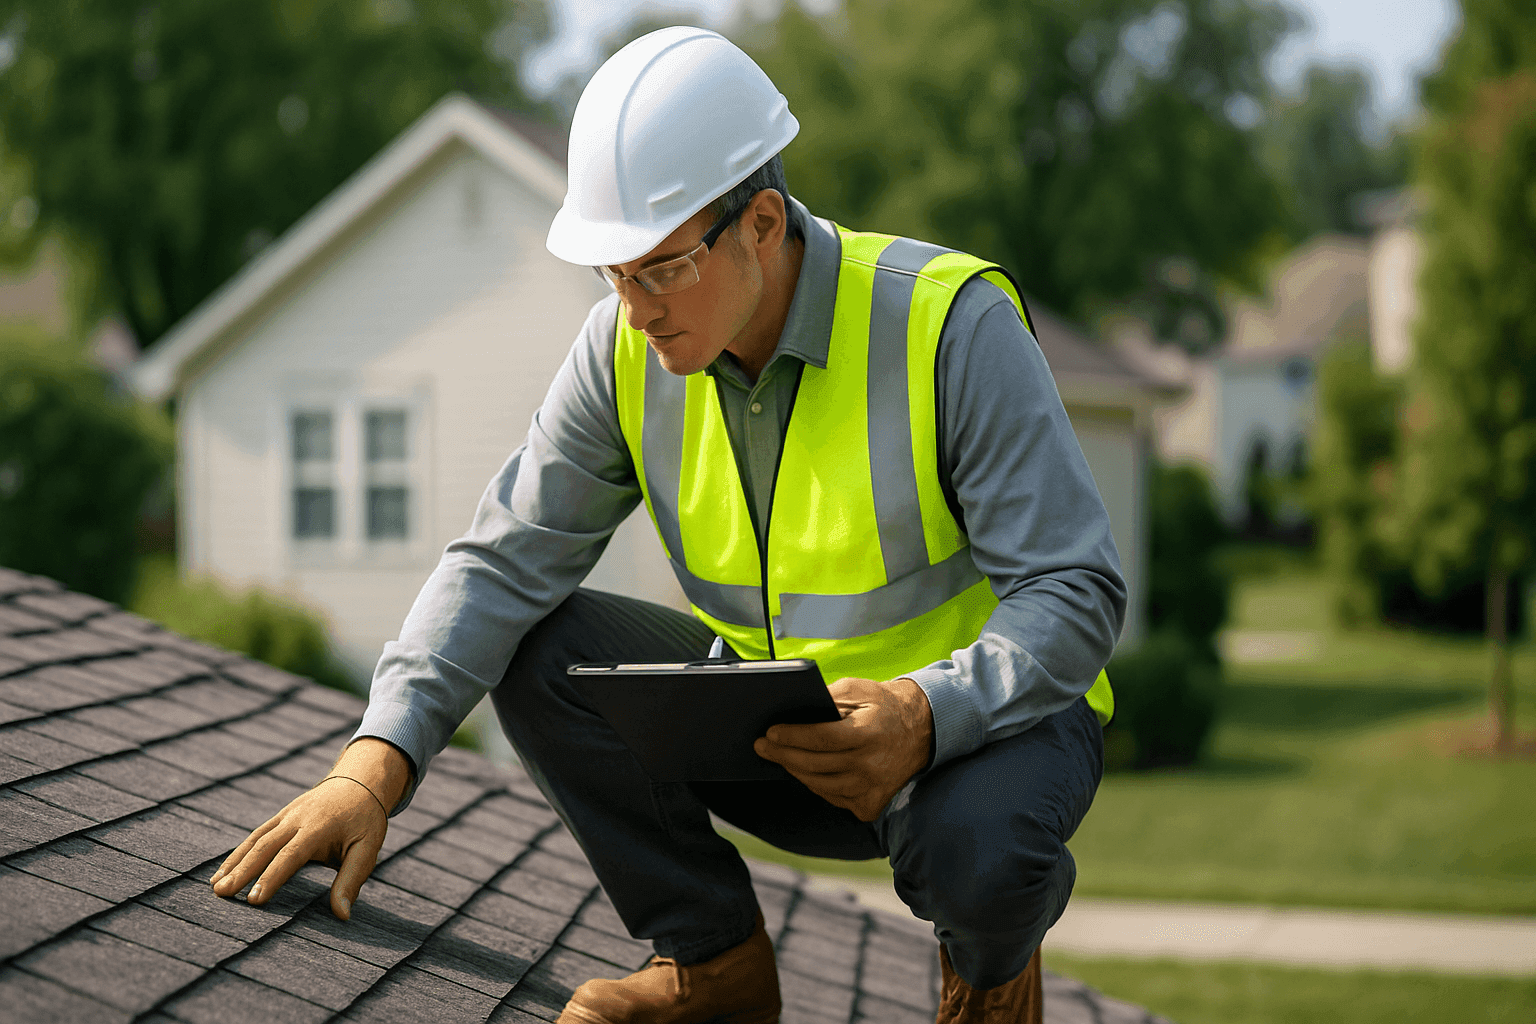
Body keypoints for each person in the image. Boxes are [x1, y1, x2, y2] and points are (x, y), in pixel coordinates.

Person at [212, 26, 1125, 1024]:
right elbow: (502, 559)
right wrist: (372, 765)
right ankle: (714, 966)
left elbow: (1077, 594)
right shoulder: (622, 353)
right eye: (612, 274)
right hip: (787, 737)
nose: (634, 310)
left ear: (764, 224)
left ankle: (992, 978)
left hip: (976, 745)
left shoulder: (949, 325)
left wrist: (924, 713)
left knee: (983, 854)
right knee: (539, 640)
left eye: (659, 268)